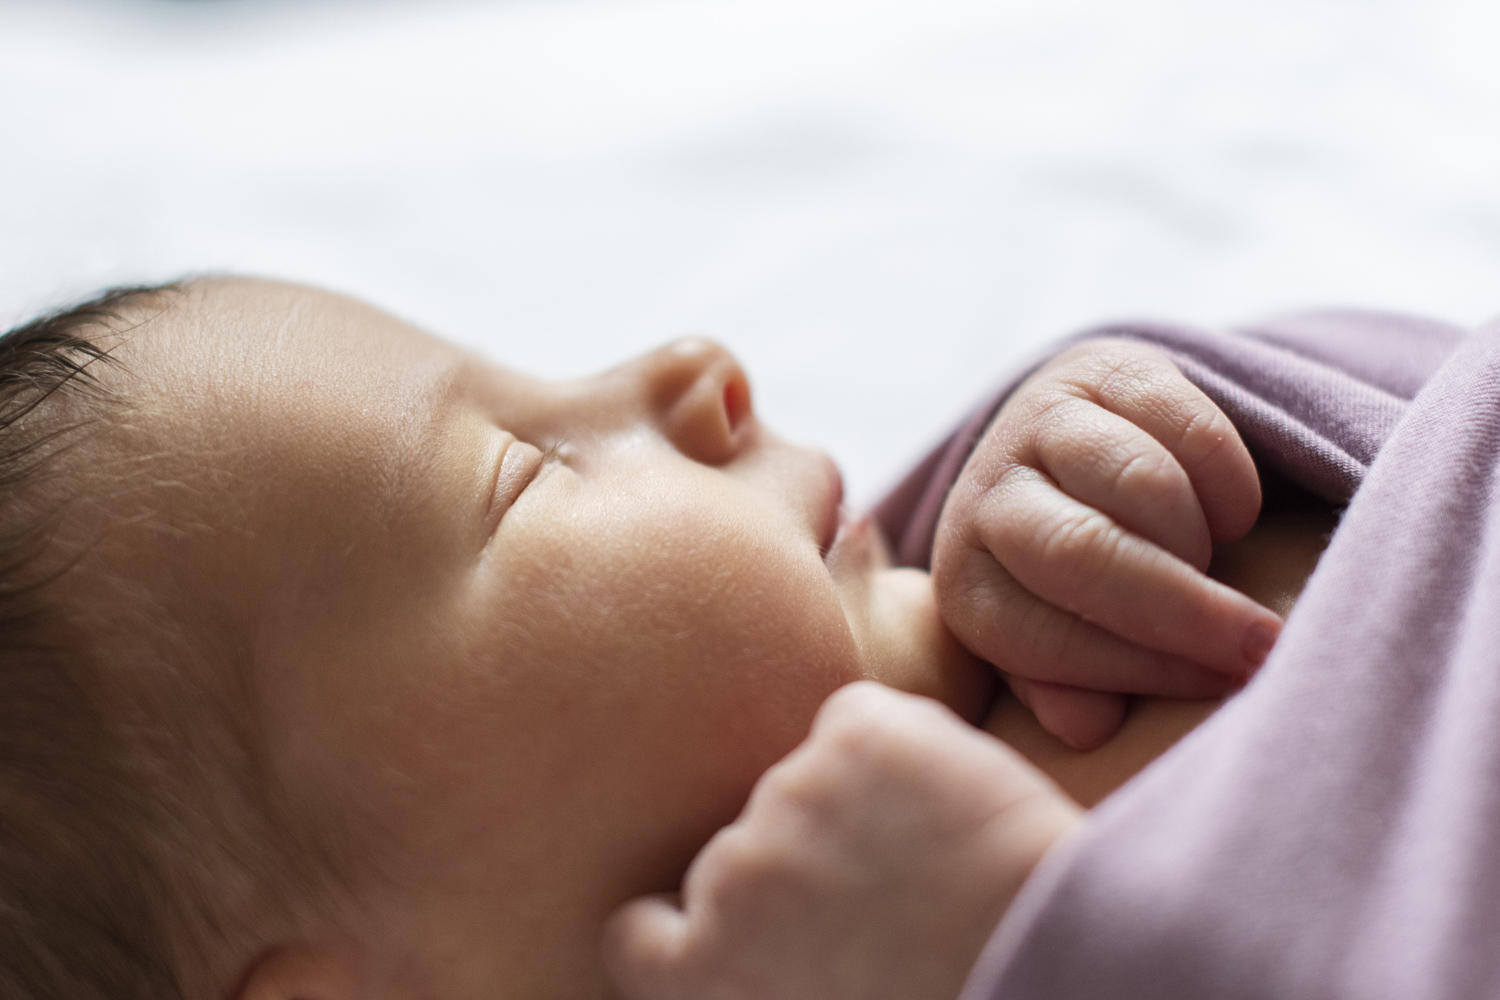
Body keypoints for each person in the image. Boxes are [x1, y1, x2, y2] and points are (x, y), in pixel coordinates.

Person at [0, 276, 1298, 1000]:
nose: (692, 364)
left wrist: (1174, 418)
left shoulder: (966, 566)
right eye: (523, 469)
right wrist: (1043, 964)